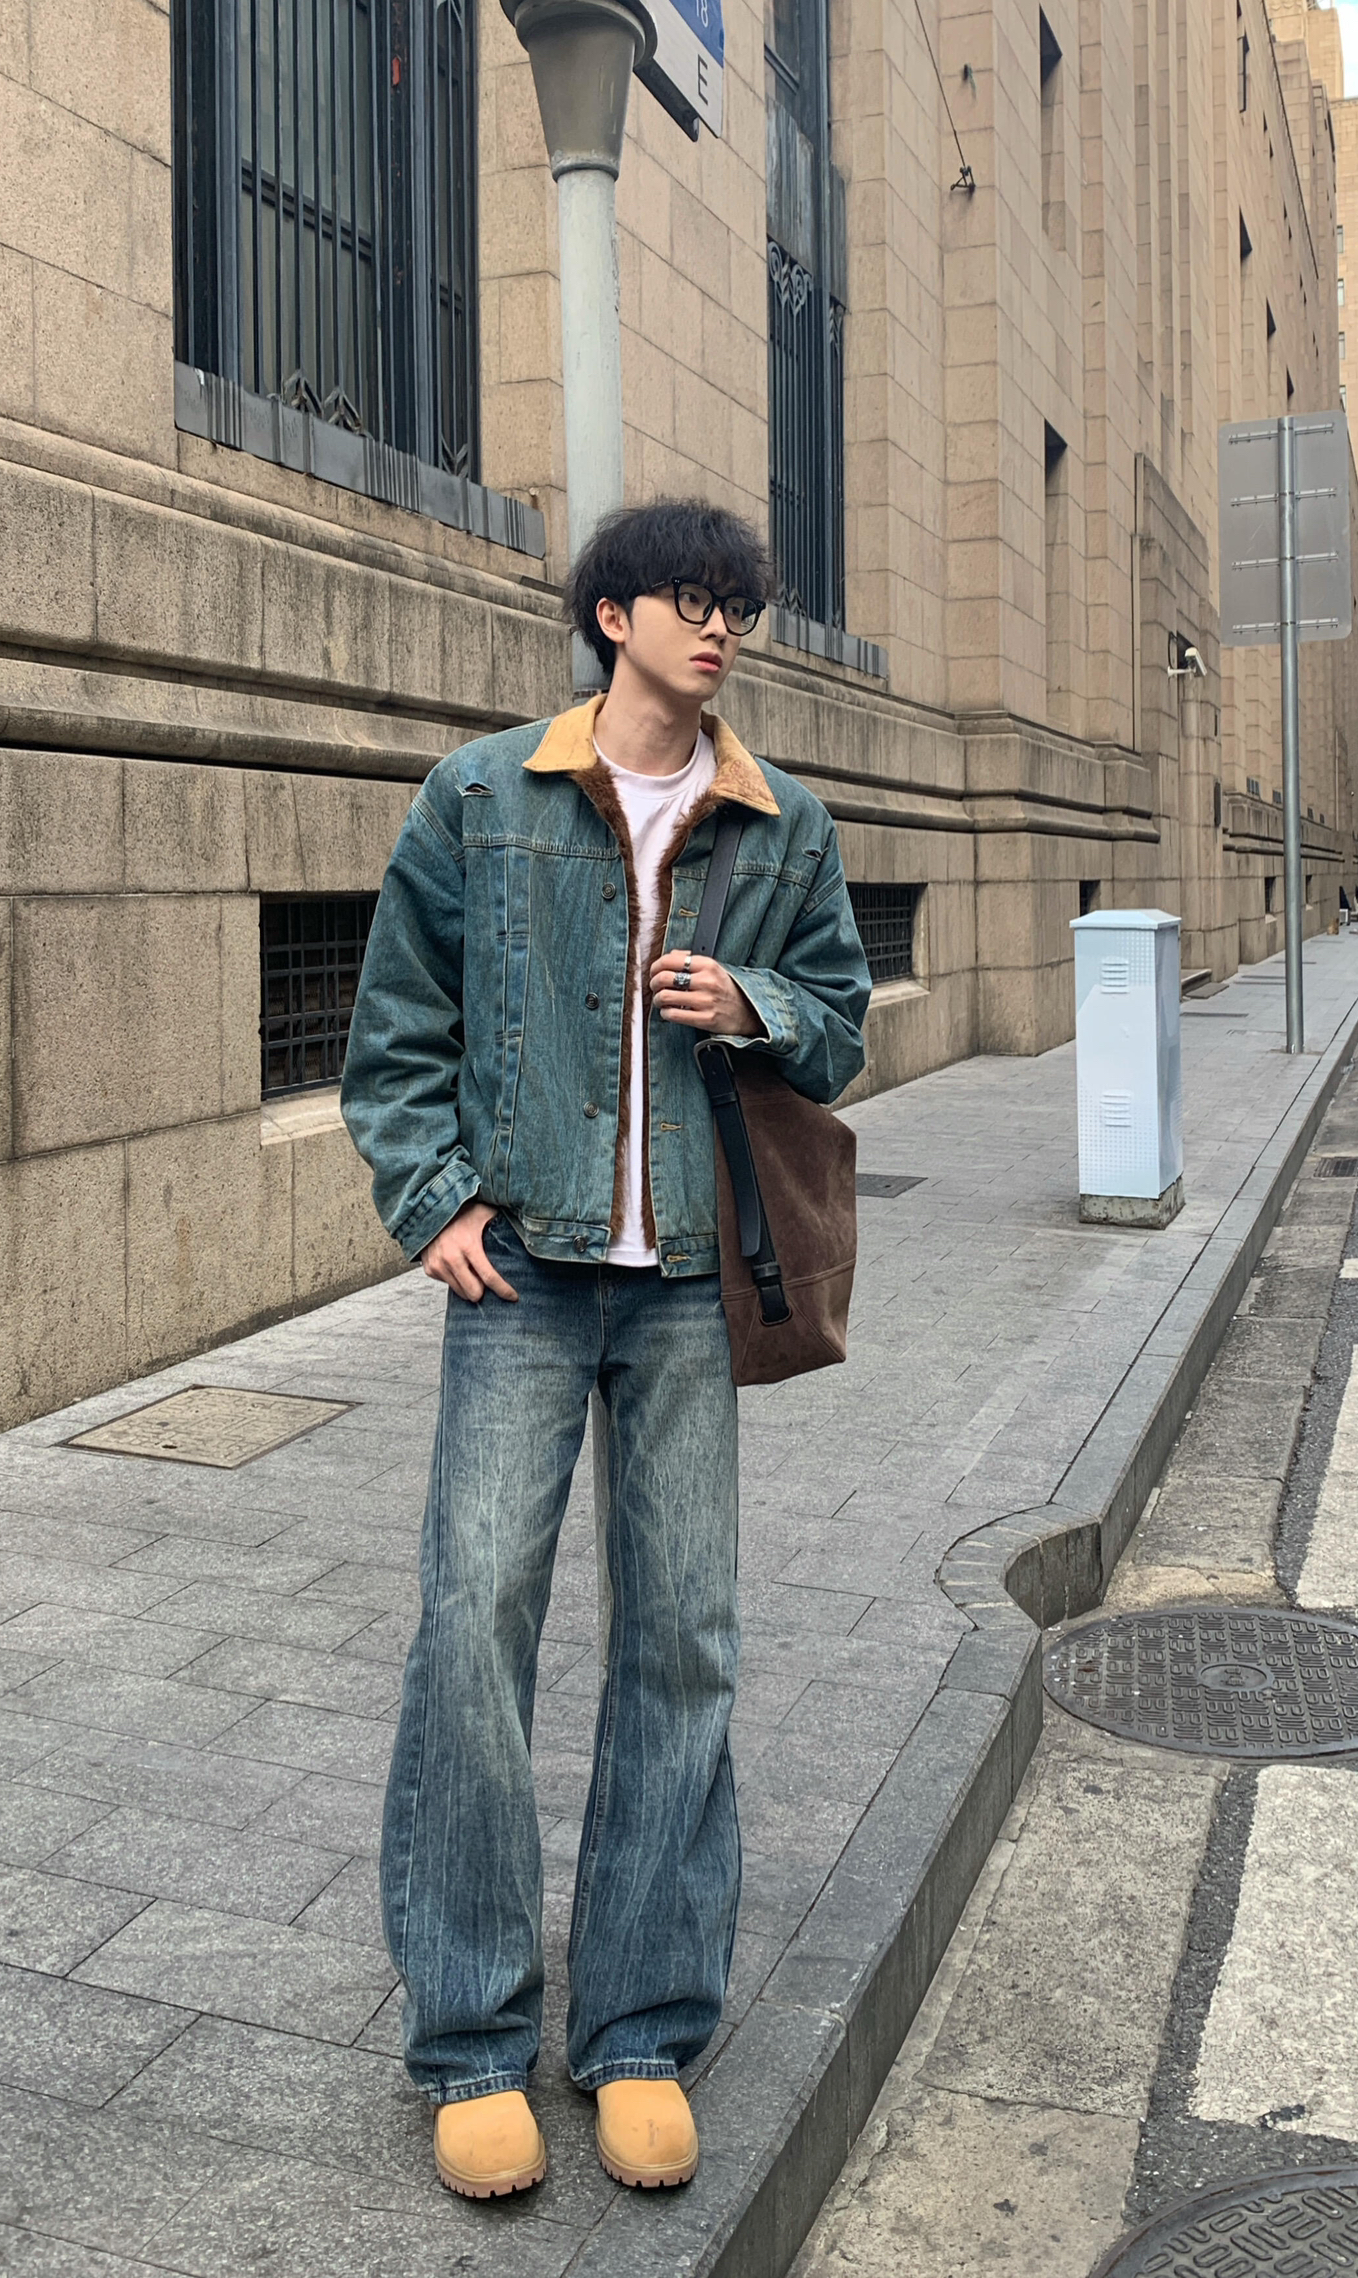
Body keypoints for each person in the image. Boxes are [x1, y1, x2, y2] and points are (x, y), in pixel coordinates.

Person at [340, 501, 873, 2203]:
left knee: (682, 1640)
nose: (719, 629)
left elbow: (840, 1026)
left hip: (690, 1285)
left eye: (738, 608)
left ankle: (638, 2028)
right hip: (524, 1275)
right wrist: (430, 1199)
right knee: (469, 1625)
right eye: (690, 601)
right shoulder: (481, 798)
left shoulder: (781, 823)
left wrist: (756, 1008)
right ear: (611, 615)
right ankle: (472, 2040)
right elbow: (395, 1027)